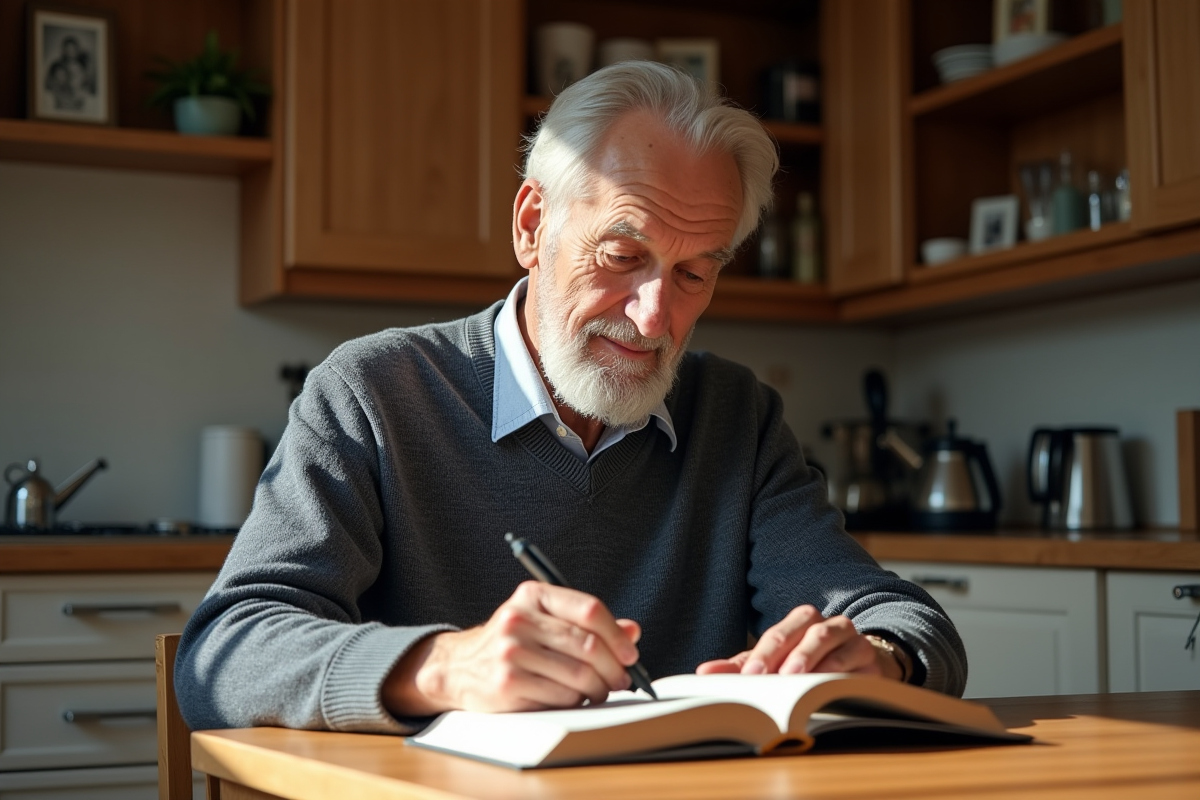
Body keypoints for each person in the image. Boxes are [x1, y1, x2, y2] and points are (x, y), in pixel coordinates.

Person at [176, 62, 967, 734]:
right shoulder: (374, 392)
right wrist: (445, 666)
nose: (655, 316)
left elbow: (906, 621)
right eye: (624, 255)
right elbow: (224, 652)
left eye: (695, 274)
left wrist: (876, 657)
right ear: (532, 226)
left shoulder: (737, 415)